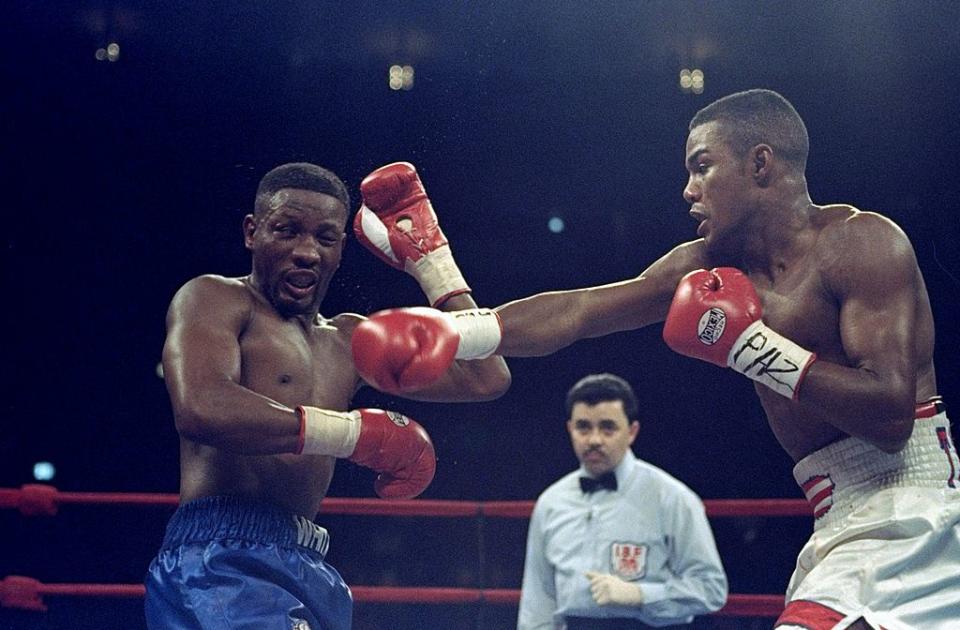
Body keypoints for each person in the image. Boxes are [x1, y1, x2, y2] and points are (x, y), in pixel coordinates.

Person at [354, 90, 960, 629]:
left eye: (703, 167)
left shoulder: (860, 242)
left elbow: (889, 417)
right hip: (838, 518)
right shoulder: (704, 266)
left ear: (760, 164)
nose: (688, 190)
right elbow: (583, 311)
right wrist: (457, 333)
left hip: (912, 507)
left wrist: (750, 348)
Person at [144, 161, 511, 629]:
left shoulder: (350, 340)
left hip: (309, 561)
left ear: (341, 249)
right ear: (252, 232)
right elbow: (201, 407)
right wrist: (353, 434)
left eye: (324, 238)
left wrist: (431, 263)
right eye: (286, 230)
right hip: (219, 562)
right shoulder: (216, 299)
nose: (306, 252)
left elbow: (486, 378)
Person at [518, 373, 727, 630]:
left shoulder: (671, 497)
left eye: (608, 427)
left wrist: (639, 594)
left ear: (631, 431)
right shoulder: (551, 501)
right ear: (570, 429)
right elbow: (538, 602)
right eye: (584, 427)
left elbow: (711, 588)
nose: (594, 439)